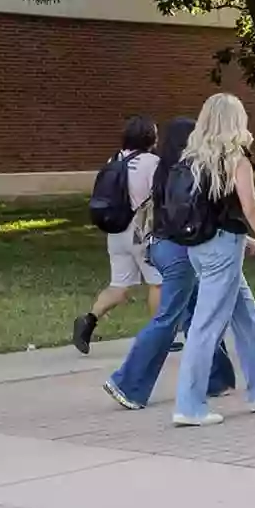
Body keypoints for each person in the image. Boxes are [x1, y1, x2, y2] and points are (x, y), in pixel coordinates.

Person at [166, 93, 255, 427]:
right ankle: (189, 405)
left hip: (202, 246)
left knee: (247, 318)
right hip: (222, 251)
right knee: (206, 327)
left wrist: (243, 238)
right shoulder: (236, 158)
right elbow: (250, 207)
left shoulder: (194, 158)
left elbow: (211, 208)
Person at [101, 116, 238, 409]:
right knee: (169, 319)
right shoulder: (184, 172)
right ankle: (127, 383)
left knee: (198, 313)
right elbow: (194, 217)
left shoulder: (162, 169)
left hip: (160, 246)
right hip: (179, 251)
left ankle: (217, 378)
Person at [74, 117, 163, 355]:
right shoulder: (152, 162)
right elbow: (158, 195)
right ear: (149, 138)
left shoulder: (114, 159)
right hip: (140, 230)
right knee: (157, 282)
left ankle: (88, 320)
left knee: (119, 285)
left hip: (116, 230)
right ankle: (159, 337)